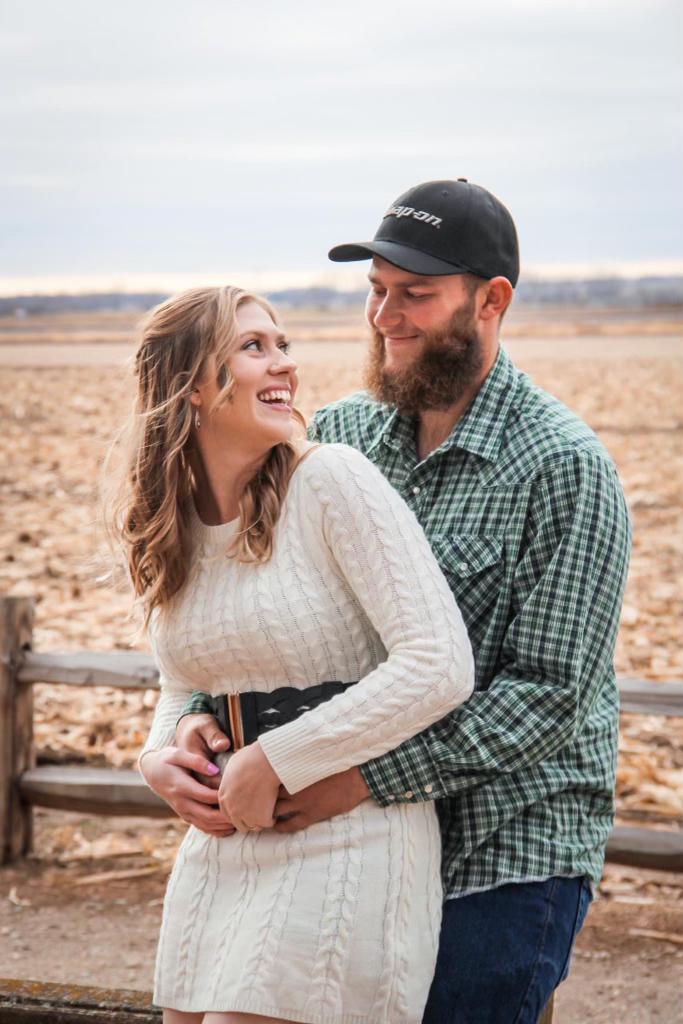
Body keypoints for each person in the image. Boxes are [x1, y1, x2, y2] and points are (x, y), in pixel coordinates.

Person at [171, 180, 632, 1023]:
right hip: (352, 839)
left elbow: (547, 698)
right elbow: (274, 618)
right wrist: (192, 723)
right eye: (376, 291)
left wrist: (364, 777)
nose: (385, 316)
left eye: (414, 294)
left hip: (506, 841)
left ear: (491, 300)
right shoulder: (336, 438)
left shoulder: (563, 467)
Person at [119, 284, 475, 1023]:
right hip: (222, 849)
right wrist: (159, 757)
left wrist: (278, 758)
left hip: (348, 838)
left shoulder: (332, 481)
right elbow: (181, 682)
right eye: (253, 347)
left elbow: (438, 662)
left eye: (282, 345)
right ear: (187, 388)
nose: (283, 365)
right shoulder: (172, 526)